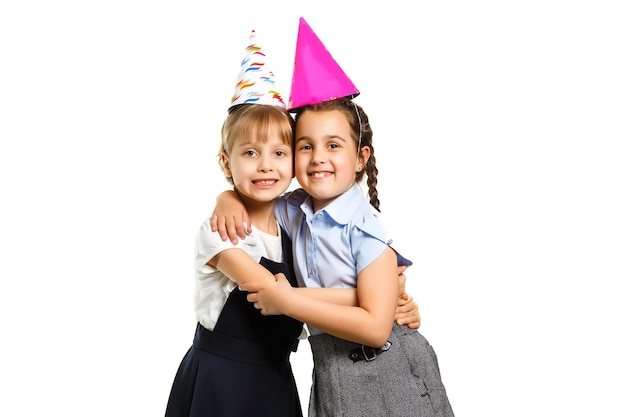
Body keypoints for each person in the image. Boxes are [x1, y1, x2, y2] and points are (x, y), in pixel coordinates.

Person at [165, 29, 421, 417]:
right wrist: (374, 300)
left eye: (279, 152)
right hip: (223, 384)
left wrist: (385, 298)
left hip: (277, 381)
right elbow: (271, 294)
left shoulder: (295, 221)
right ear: (226, 161)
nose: (266, 165)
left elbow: (299, 296)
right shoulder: (223, 231)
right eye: (250, 152)